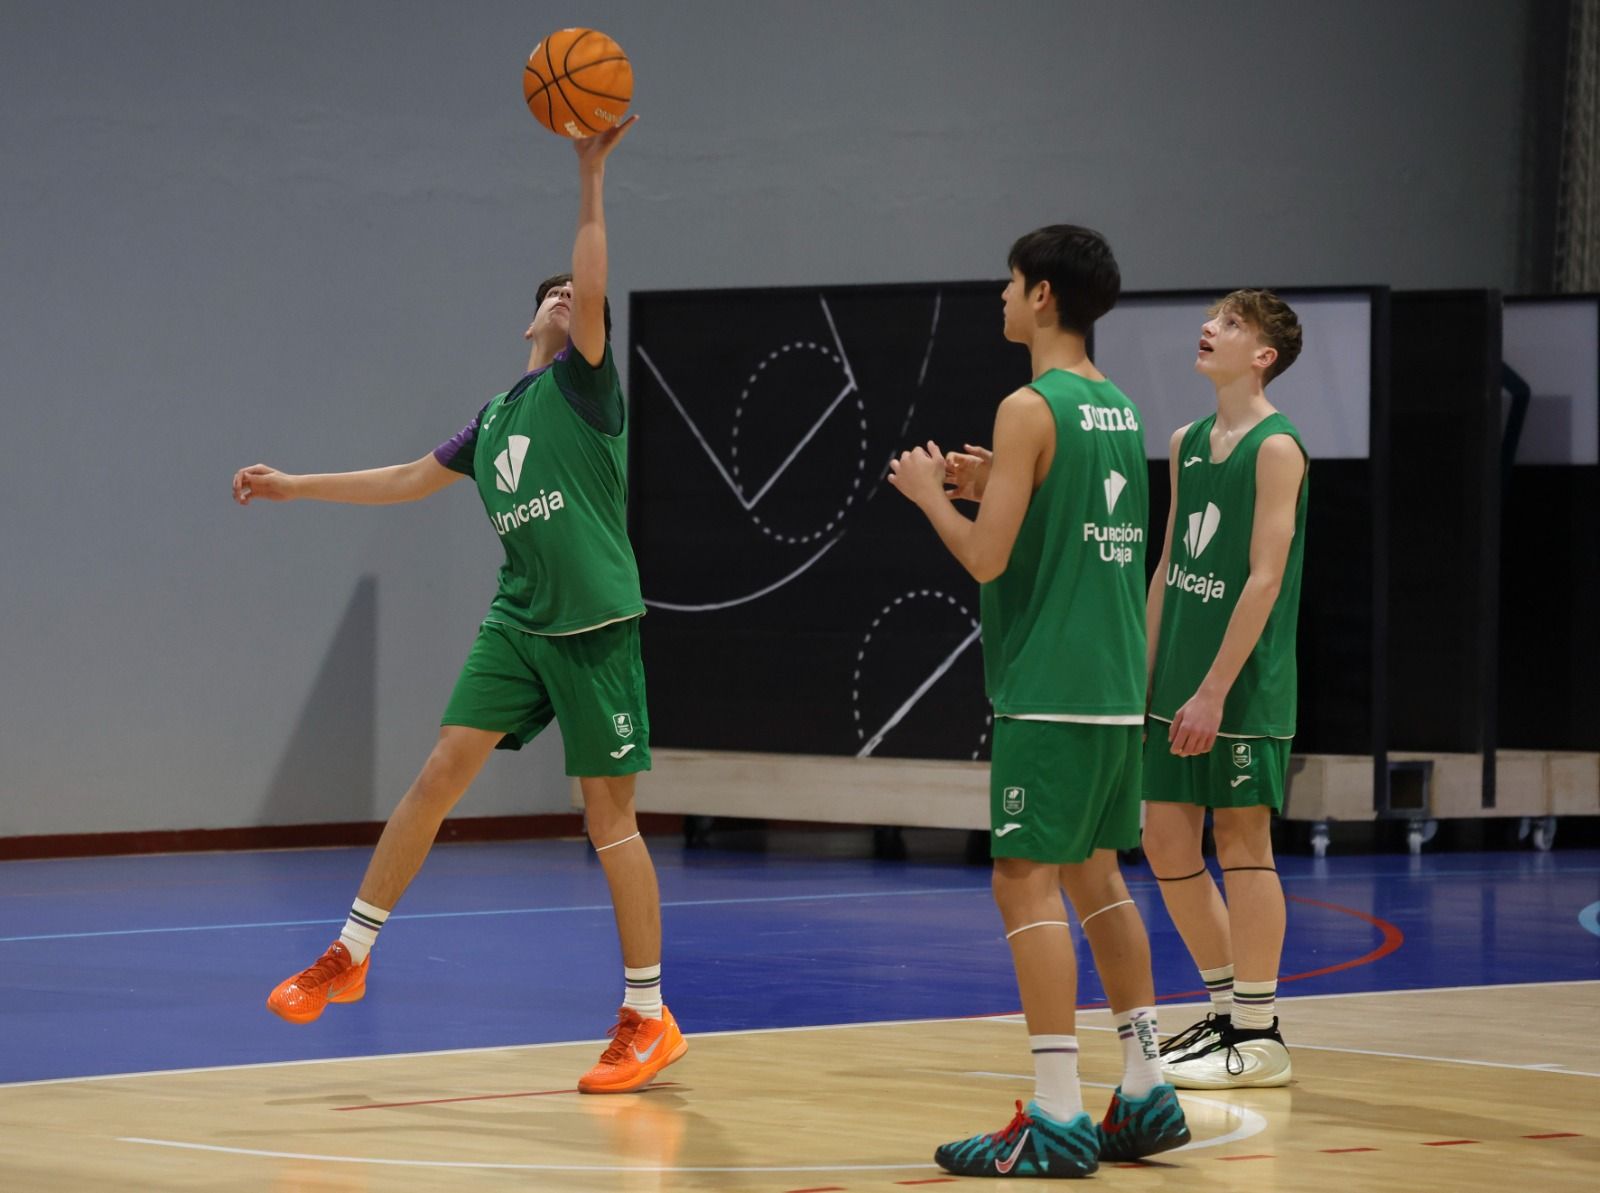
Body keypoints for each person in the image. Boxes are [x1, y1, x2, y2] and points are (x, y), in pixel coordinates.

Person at [231, 116, 686, 1095]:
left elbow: (595, 279)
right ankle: (350, 951)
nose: (569, 296)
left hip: (596, 620)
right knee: (439, 770)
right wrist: (295, 483)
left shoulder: (587, 390)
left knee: (608, 821)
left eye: (578, 293)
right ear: (530, 320)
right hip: (520, 619)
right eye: (553, 294)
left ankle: (648, 1014)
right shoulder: (495, 420)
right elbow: (402, 479)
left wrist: (591, 176)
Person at [889, 225, 1189, 1178]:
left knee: (1024, 878)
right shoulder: (1118, 406)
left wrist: (930, 495)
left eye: (1013, 285)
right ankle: (1143, 1089)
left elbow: (986, 556)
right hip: (1110, 683)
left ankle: (1057, 1112)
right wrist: (990, 481)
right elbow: (1081, 520)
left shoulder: (1028, 405)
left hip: (1048, 685)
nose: (1004, 299)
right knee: (1099, 874)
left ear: (1046, 296)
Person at [1141, 290, 1306, 1089]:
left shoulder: (1278, 448)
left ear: (1264, 354)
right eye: (1212, 319)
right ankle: (1222, 1012)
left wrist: (1212, 690)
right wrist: (1139, 682)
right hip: (1178, 677)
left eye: (1231, 324)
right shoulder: (1186, 442)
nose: (1210, 329)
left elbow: (1266, 579)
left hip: (1241, 682)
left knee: (1242, 841)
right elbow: (1170, 565)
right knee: (1166, 840)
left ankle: (1261, 1029)